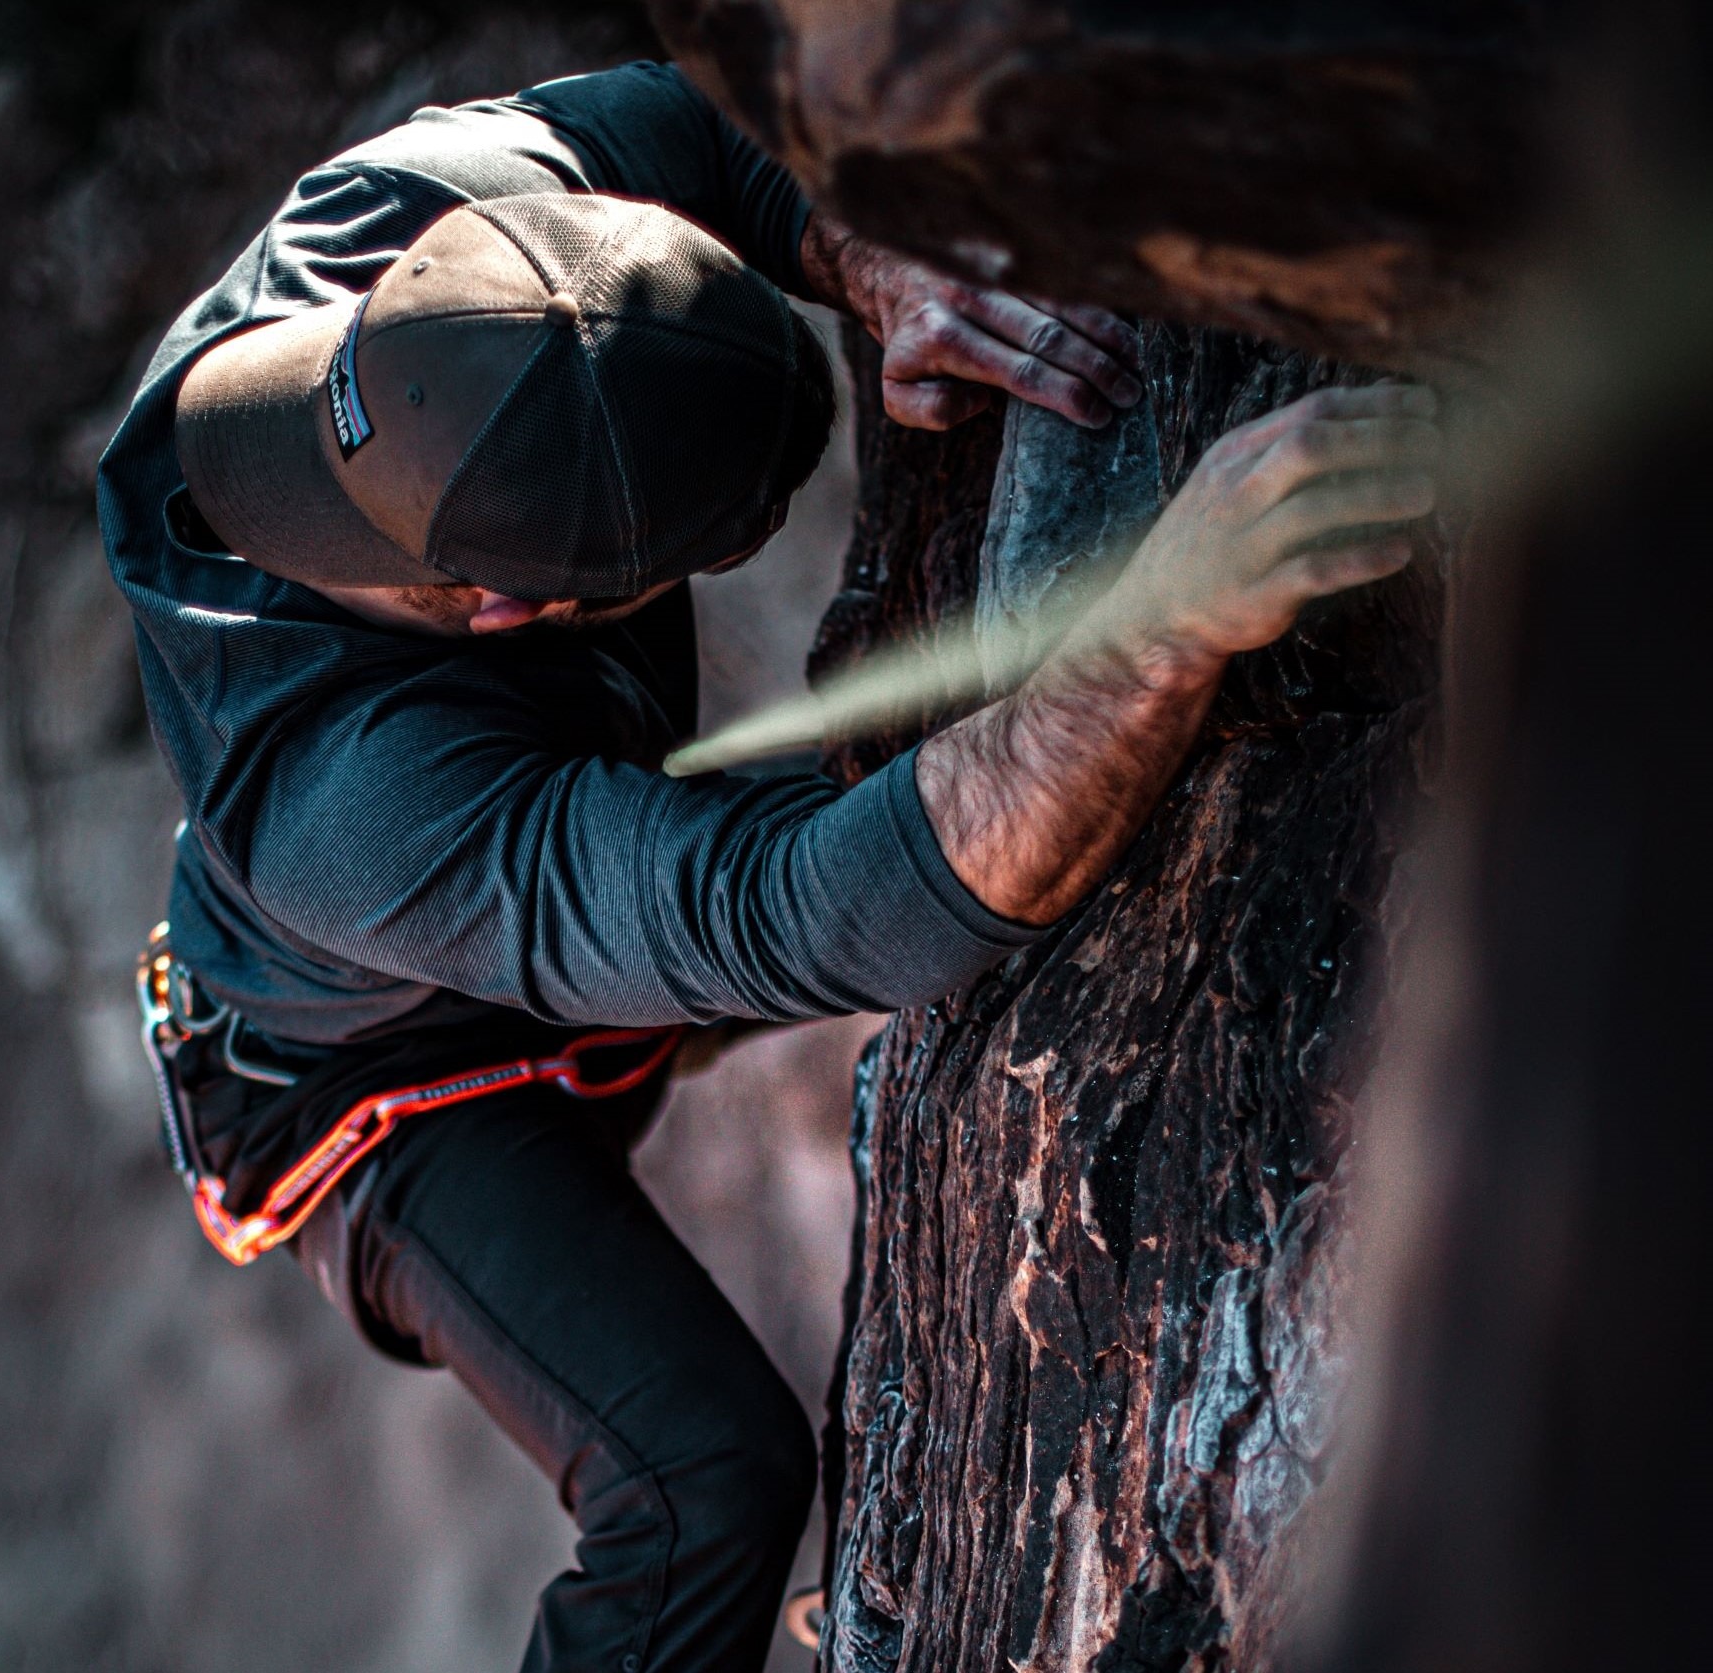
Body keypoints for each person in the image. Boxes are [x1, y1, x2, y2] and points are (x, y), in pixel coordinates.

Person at [94, 60, 1437, 1673]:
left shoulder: (392, 222)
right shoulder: (350, 805)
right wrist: (1167, 625)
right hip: (378, 1091)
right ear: (523, 612)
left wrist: (873, 263)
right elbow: (803, 914)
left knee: (939, 772)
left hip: (513, 859)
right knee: (697, 1475)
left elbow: (688, 122)